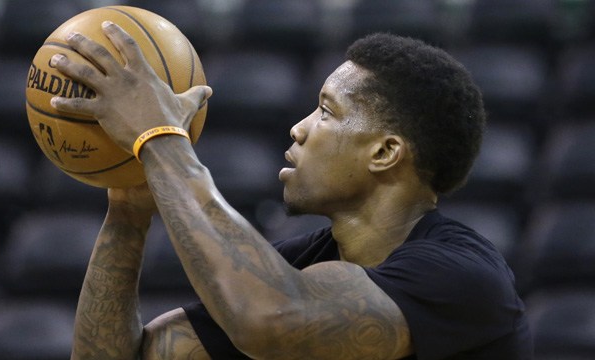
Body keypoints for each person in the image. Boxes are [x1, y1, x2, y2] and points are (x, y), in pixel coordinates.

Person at [50, 21, 532, 359]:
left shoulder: (461, 278)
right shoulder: (297, 267)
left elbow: (270, 321)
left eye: (326, 111)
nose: (299, 129)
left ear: (385, 153)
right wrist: (128, 211)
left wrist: (158, 140)